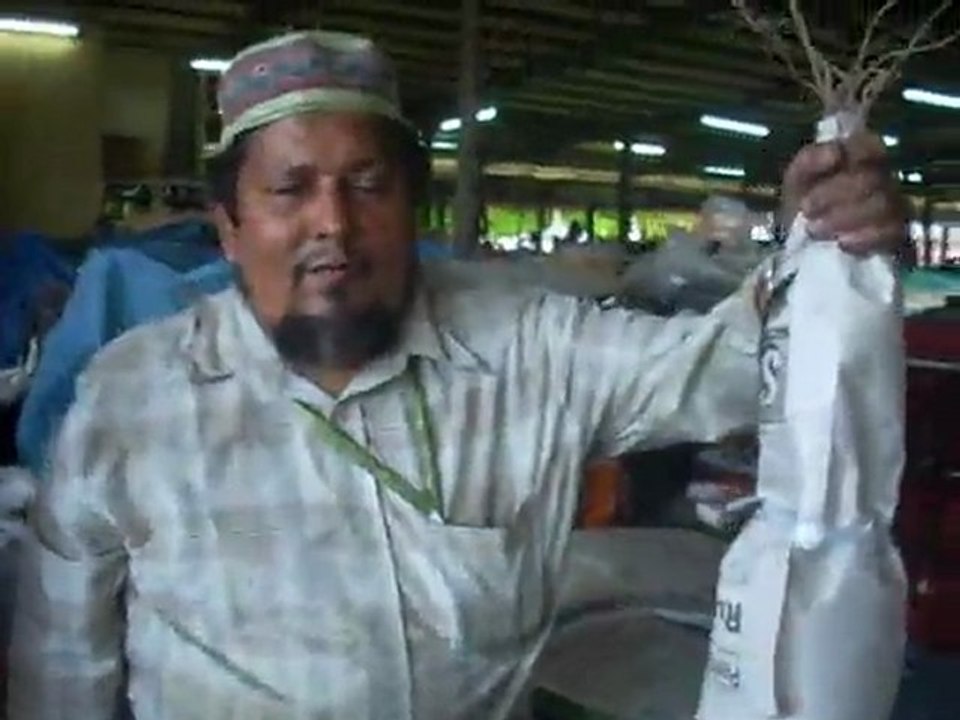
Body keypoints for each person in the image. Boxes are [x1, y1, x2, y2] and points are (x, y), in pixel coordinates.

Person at [8, 30, 907, 720]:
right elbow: (62, 668)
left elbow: (731, 371)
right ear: (230, 227)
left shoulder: (525, 347)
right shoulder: (136, 401)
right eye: (290, 190)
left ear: (411, 205)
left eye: (368, 184)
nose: (335, 223)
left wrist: (817, 253)